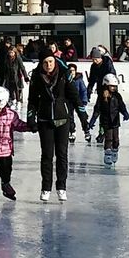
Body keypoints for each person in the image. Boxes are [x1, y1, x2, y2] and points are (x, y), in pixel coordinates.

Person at [27, 54, 81, 201]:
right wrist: (31, 119)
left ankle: (61, 187)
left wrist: (83, 118)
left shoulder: (64, 75)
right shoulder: (37, 77)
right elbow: (32, 99)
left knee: (62, 155)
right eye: (45, 62)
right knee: (47, 155)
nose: (48, 65)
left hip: (63, 120)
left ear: (55, 62)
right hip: (45, 120)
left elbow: (74, 97)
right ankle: (46, 188)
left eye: (50, 61)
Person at [89, 76, 129, 168]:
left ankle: (115, 150)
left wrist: (125, 113)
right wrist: (92, 120)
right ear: (106, 85)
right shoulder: (101, 96)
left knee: (116, 139)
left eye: (115, 86)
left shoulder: (117, 96)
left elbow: (121, 106)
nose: (113, 88)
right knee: (108, 138)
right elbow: (97, 109)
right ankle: (107, 153)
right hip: (106, 121)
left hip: (115, 120)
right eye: (111, 86)